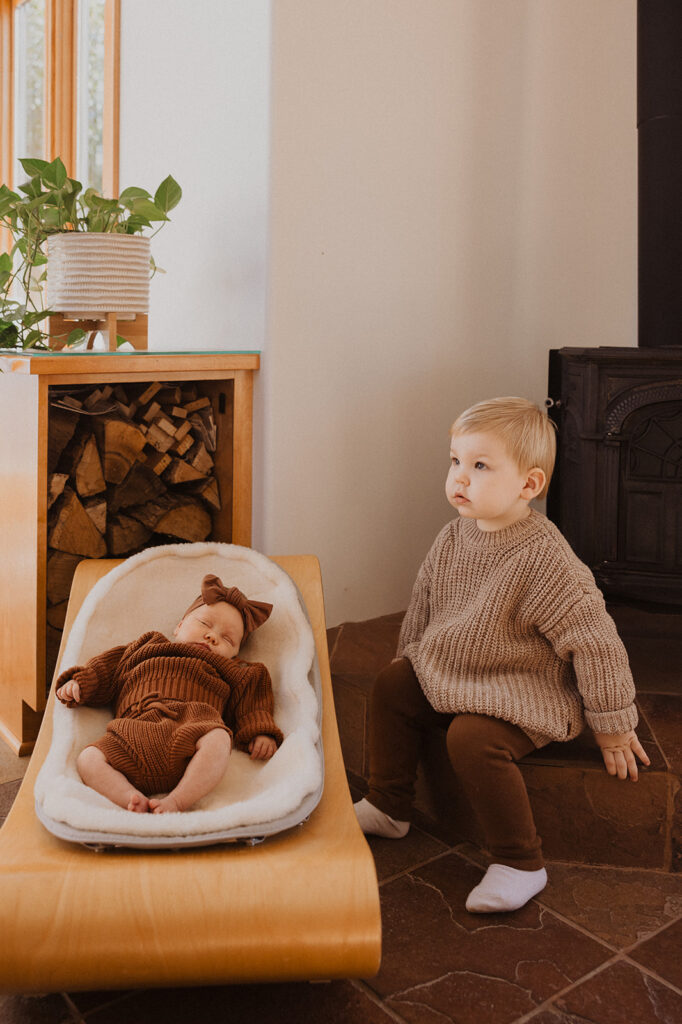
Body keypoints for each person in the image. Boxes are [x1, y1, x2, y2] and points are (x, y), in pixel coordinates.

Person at [354, 396, 650, 913]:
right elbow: (424, 606)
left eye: (480, 466)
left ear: (528, 485)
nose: (460, 479)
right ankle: (388, 802)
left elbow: (596, 640)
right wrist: (410, 668)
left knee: (473, 738)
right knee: (390, 684)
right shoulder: (453, 536)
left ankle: (520, 862)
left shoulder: (544, 558)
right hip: (455, 670)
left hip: (524, 688)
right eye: (456, 462)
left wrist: (612, 720)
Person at [56, 573, 283, 815]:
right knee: (88, 758)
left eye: (227, 639)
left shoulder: (236, 671)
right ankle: (130, 798)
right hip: (134, 728)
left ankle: (177, 800)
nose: (212, 636)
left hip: (193, 729)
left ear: (236, 652)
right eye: (205, 624)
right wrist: (81, 683)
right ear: (179, 625)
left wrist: (260, 731)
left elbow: (254, 702)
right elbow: (105, 669)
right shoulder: (147, 646)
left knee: (219, 739)